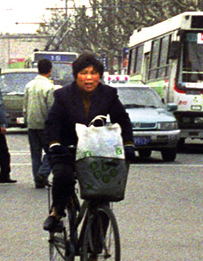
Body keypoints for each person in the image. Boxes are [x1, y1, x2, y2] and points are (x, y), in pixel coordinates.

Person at [42, 53, 134, 249]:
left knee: (103, 197)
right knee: (64, 176)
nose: (89, 77)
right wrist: (54, 143)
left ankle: (94, 252)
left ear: (100, 76)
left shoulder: (108, 94)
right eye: (84, 73)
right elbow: (53, 123)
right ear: (76, 76)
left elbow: (122, 120)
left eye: (94, 73)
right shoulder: (63, 95)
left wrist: (128, 144)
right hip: (67, 149)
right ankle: (57, 212)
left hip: (95, 150)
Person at [24, 58, 56, 188]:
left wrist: (26, 120)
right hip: (45, 125)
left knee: (35, 154)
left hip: (31, 124)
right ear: (50, 70)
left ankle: (38, 180)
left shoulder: (29, 85)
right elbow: (51, 108)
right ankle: (42, 174)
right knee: (51, 152)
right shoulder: (50, 87)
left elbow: (25, 106)